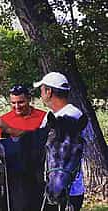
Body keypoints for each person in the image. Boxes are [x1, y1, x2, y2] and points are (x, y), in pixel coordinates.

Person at [33, 72, 86, 210]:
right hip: (54, 187)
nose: (41, 94)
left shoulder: (70, 116)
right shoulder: (52, 117)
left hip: (65, 191)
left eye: (42, 90)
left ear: (49, 91)